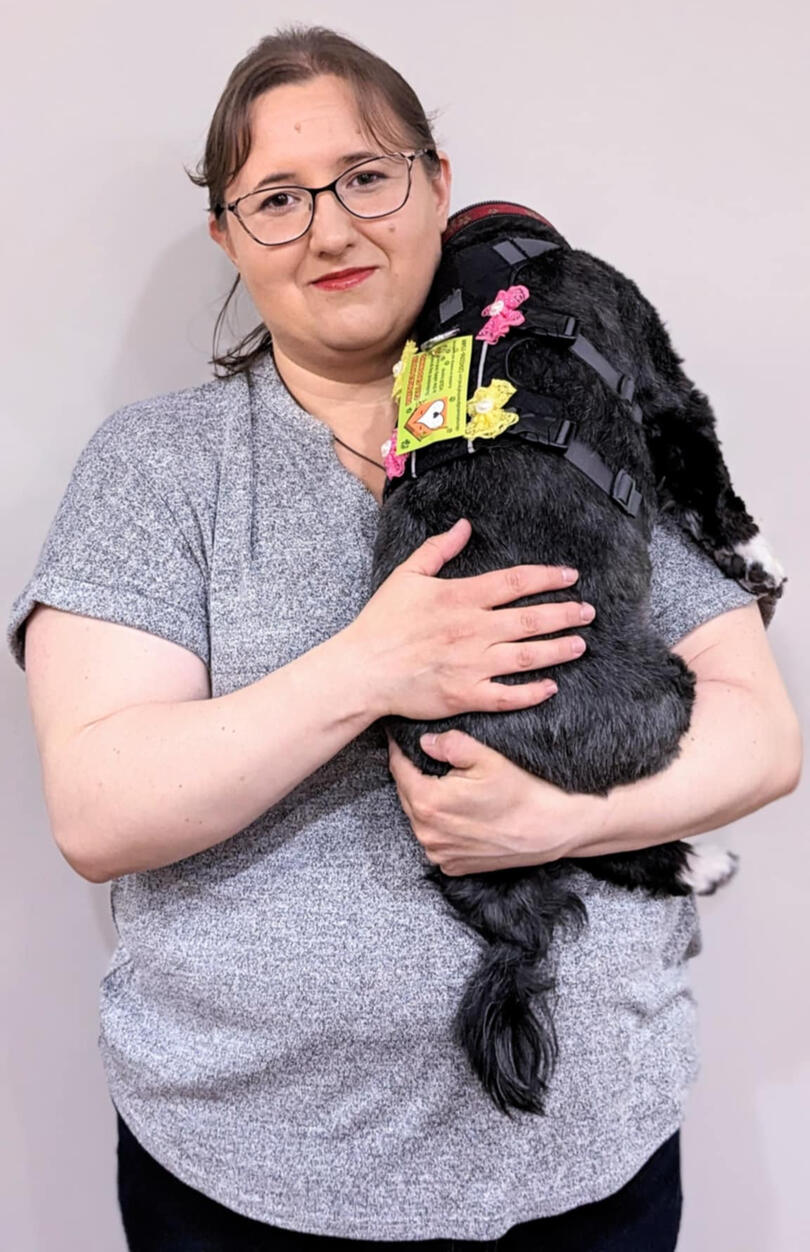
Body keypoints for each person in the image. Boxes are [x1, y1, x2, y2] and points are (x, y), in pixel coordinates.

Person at [6, 23, 800, 1252]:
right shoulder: (160, 467)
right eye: (277, 199)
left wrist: (554, 820)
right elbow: (100, 808)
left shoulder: (575, 411)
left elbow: (762, 734)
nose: (330, 230)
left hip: (589, 1166)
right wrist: (370, 665)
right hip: (247, 1180)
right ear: (227, 236)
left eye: (366, 177)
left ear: (437, 185)